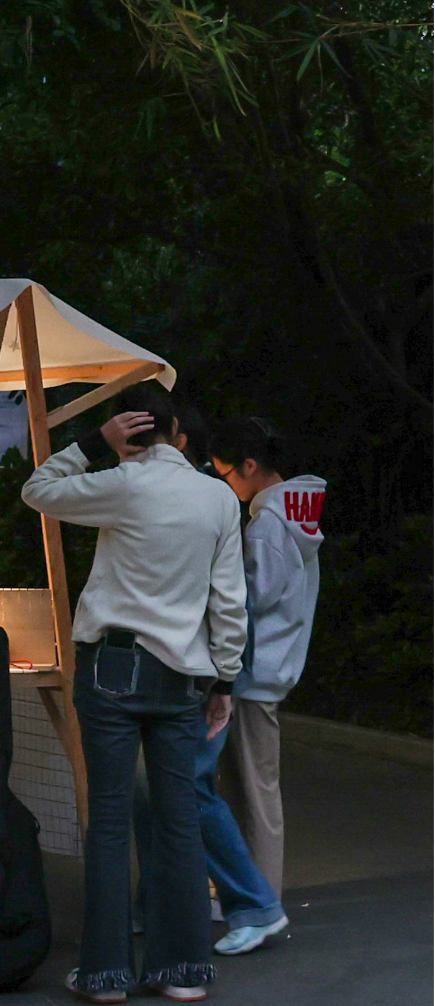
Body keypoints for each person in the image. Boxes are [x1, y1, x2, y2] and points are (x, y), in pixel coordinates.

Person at [22, 382, 247, 1004]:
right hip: (183, 674)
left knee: (110, 820)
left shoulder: (123, 484)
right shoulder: (218, 497)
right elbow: (229, 599)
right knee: (179, 821)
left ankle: (106, 975)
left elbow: (37, 489)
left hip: (113, 668)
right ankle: (184, 971)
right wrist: (225, 678)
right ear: (176, 432)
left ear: (126, 432)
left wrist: (94, 443)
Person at [131, 403, 290, 956]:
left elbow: (233, 599)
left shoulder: (208, 500)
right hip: (196, 662)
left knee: (185, 785)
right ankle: (169, 902)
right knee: (165, 788)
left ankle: (254, 903)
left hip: (201, 665)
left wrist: (224, 677)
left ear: (178, 440)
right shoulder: (216, 499)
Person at [211, 417, 326, 908]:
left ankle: (261, 902)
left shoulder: (267, 526)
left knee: (254, 794)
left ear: (249, 466)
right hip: (272, 669)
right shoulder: (294, 516)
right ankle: (253, 896)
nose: (226, 485)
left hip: (255, 674)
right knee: (251, 791)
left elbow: (250, 600)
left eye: (225, 474)